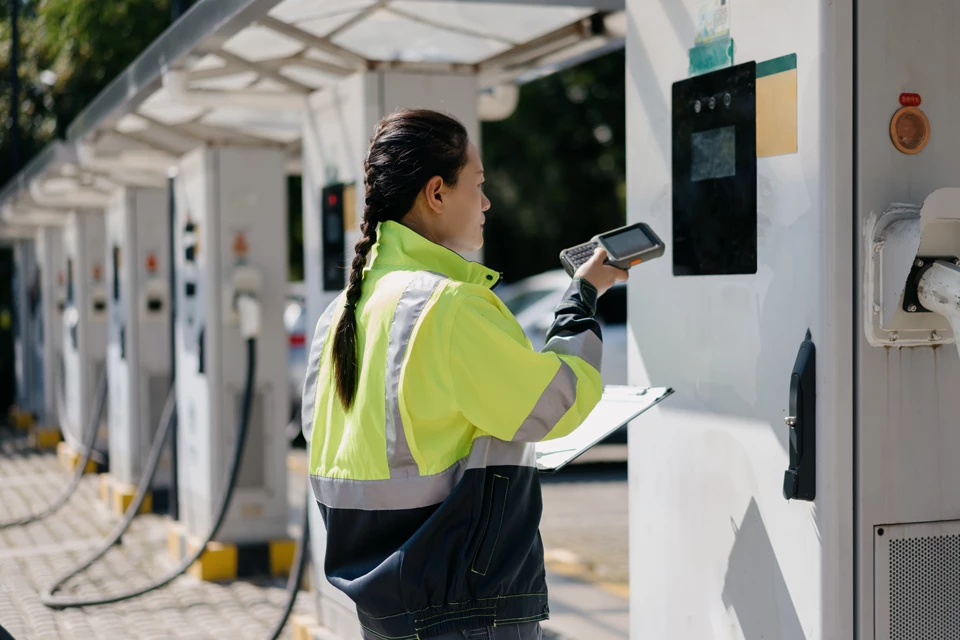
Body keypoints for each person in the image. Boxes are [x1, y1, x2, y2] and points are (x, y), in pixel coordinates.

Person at [301, 109, 628, 640]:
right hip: (463, 610)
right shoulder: (446, 306)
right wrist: (583, 297)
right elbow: (556, 403)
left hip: (386, 608)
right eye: (477, 184)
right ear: (436, 192)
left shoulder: (340, 313)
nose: (486, 202)